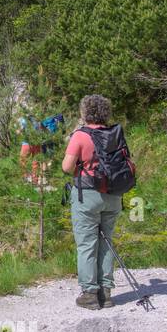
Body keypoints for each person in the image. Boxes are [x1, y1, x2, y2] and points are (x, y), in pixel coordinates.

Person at [61, 95, 123, 310]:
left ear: (84, 112)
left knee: (87, 244)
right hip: (113, 195)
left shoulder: (80, 135)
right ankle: (106, 293)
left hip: (87, 195)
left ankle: (89, 294)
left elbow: (67, 167)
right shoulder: (114, 133)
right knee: (106, 242)